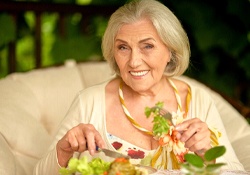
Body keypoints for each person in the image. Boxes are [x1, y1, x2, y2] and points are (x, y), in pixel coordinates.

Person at [34, 0, 244, 174]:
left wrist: (207, 152)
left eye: (147, 46)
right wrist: (63, 151)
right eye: (123, 47)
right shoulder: (89, 101)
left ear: (170, 50)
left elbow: (237, 172)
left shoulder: (197, 99)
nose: (134, 61)